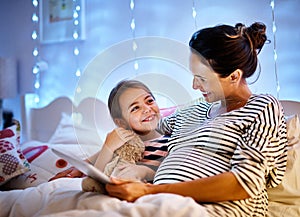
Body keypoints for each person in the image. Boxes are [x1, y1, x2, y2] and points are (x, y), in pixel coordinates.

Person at [105, 22, 288, 217]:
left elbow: (245, 182)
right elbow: (142, 127)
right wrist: (93, 160)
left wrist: (150, 191)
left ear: (234, 76)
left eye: (202, 78)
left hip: (214, 211)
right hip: (158, 205)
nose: (194, 85)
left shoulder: (263, 107)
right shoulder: (194, 110)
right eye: (193, 76)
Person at [49, 80, 168, 182]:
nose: (147, 109)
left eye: (149, 101)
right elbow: (96, 177)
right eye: (135, 108)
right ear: (121, 123)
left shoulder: (170, 140)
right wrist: (107, 147)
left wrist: (146, 172)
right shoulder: (126, 143)